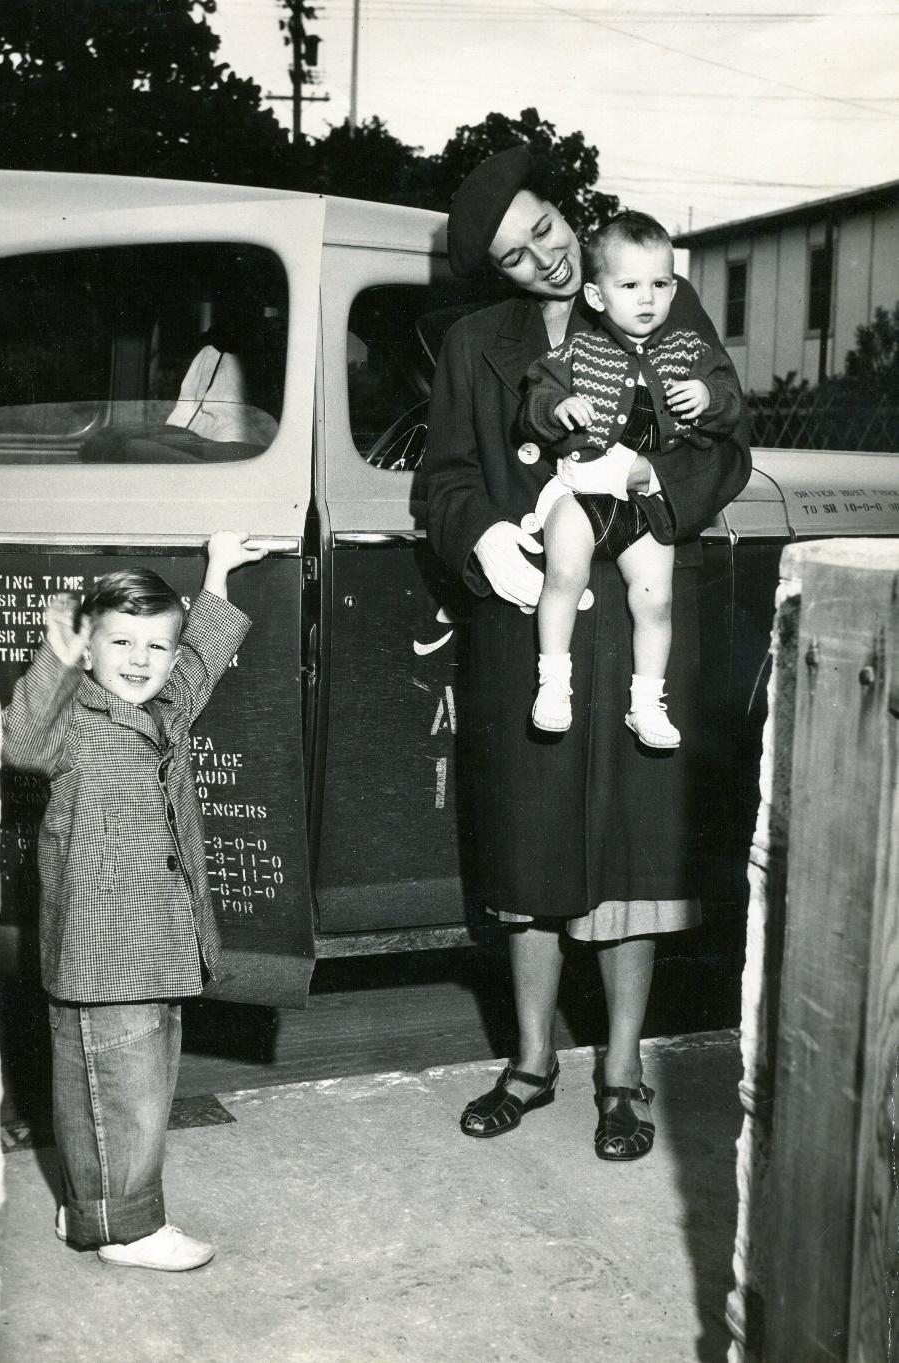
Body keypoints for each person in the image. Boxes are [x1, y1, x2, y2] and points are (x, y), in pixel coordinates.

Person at [424, 144, 750, 1159]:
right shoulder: (475, 342)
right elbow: (440, 479)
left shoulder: (659, 299)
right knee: (531, 844)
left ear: (569, 213)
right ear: (497, 275)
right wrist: (482, 536)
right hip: (533, 617)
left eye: (549, 230)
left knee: (636, 842)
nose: (548, 260)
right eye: (519, 257)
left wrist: (652, 490)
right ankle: (530, 1063)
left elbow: (724, 451)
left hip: (641, 610)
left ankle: (621, 1070)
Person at [2, 532, 265, 1267]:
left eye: (157, 645)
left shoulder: (164, 706)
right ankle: (129, 1229)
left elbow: (202, 659)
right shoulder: (69, 725)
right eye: (121, 642)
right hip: (102, 947)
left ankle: (91, 1210)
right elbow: (20, 739)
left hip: (155, 939)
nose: (141, 660)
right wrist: (53, 656)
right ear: (88, 649)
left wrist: (218, 570)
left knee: (101, 1086)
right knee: (128, 1090)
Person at [520, 210, 744, 747]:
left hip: (645, 504)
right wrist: (560, 408)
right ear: (597, 297)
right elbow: (535, 402)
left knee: (656, 600)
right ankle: (553, 683)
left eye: (661, 284)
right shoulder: (576, 351)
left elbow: (732, 405)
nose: (648, 299)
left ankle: (646, 702)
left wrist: (710, 399)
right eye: (630, 285)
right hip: (585, 491)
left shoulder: (690, 349)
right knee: (564, 576)